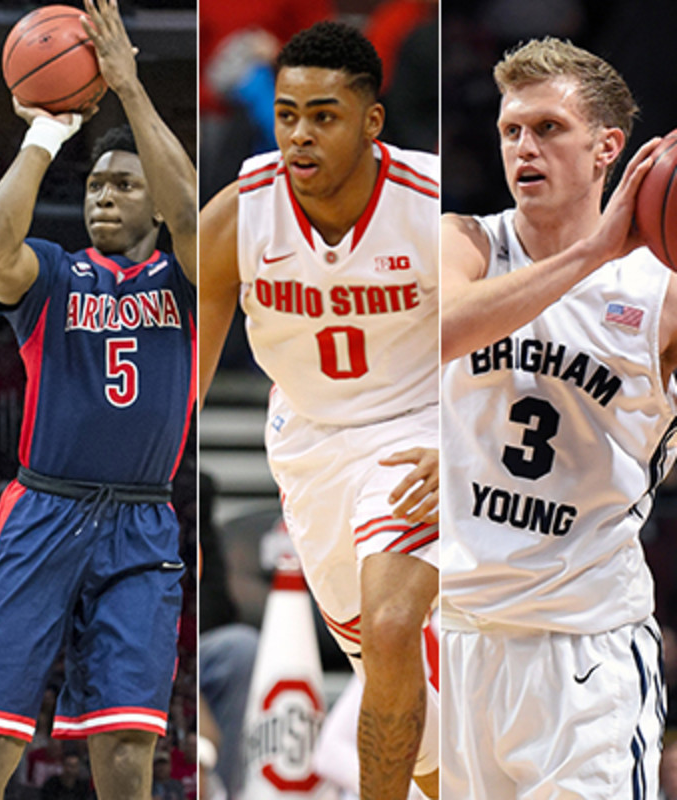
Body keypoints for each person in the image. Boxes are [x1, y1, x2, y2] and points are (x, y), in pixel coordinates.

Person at [0, 0, 196, 797]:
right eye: (95, 182)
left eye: (124, 183)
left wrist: (126, 87)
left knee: (128, 743)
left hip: (142, 517)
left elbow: (192, 215)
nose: (102, 194)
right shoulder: (58, 274)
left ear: (152, 201)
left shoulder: (191, 281)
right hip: (44, 509)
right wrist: (45, 133)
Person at [199, 21, 441, 800]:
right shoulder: (239, 217)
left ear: (372, 121)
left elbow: (494, 338)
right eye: (287, 114)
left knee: (398, 623)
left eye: (324, 116)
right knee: (409, 707)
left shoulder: (432, 209)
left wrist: (468, 445)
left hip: (415, 427)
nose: (300, 135)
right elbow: (185, 375)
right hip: (308, 445)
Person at [439, 37, 674, 798]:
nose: (523, 148)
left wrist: (613, 255)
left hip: (586, 655)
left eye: (547, 128)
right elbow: (437, 331)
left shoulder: (658, 294)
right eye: (512, 131)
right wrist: (593, 253)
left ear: (608, 147)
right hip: (459, 644)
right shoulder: (466, 242)